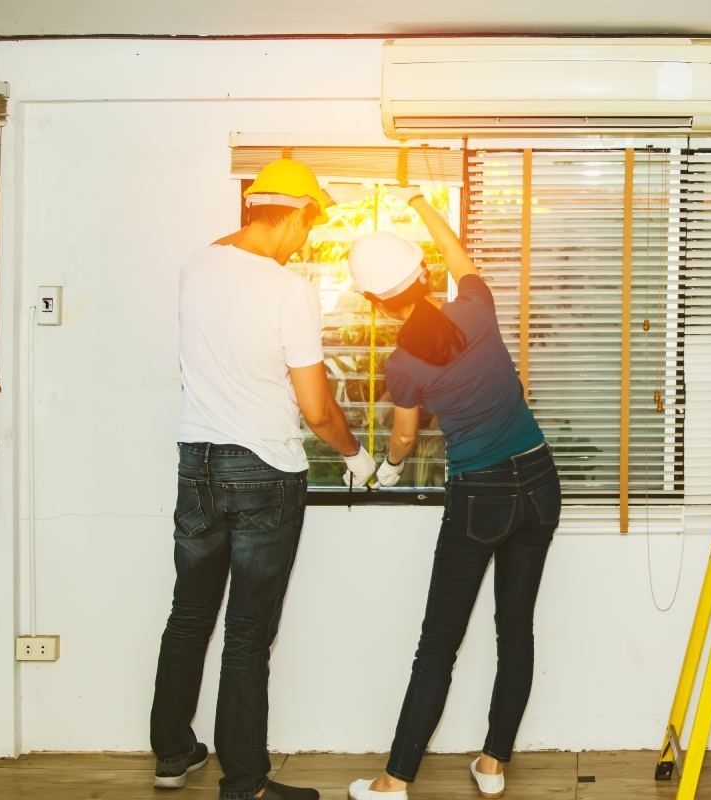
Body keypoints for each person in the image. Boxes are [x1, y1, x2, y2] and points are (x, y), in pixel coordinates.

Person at [150, 158, 379, 800]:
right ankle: (246, 781)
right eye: (310, 224)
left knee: (189, 614)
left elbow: (229, 265)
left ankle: (172, 755)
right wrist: (357, 457)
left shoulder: (197, 266)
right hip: (264, 473)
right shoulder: (287, 291)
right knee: (248, 632)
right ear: (298, 214)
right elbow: (315, 408)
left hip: (197, 464)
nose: (308, 240)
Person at [345, 185, 561, 800]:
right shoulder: (475, 307)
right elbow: (462, 259)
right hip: (540, 480)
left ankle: (395, 780)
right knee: (515, 630)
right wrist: (422, 208)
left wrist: (384, 469)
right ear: (421, 274)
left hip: (482, 495)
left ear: (372, 301)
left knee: (438, 642)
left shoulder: (404, 364)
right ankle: (492, 767)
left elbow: (405, 439)